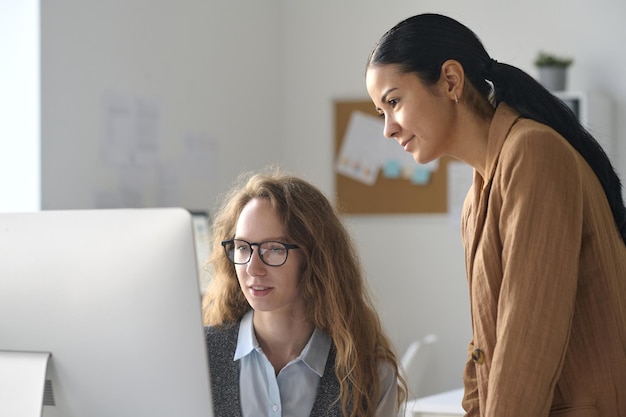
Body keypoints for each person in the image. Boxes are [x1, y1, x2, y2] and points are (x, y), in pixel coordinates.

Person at [365, 13, 626, 417]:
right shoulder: (479, 194)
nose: (388, 129)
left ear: (451, 80)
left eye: (394, 101)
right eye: (382, 112)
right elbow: (485, 350)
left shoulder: (532, 152)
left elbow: (529, 338)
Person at [201, 169, 407, 417]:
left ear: (314, 259)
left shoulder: (369, 374)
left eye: (274, 249)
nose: (253, 268)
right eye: (243, 248)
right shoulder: (199, 356)